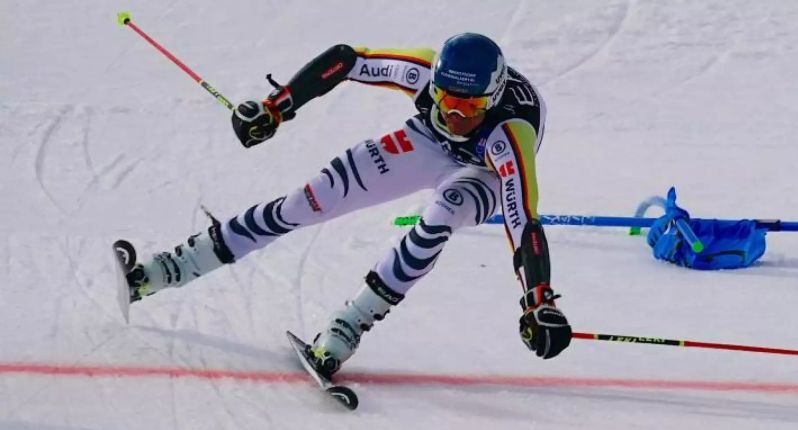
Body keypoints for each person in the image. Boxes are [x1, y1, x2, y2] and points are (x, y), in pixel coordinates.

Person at [121, 33, 572, 379]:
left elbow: (524, 222)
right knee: (306, 202)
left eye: (468, 105)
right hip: (427, 142)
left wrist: (538, 301)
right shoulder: (421, 74)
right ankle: (166, 268)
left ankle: (349, 326)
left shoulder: (512, 136)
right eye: (447, 99)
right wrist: (277, 107)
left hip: (485, 172)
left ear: (491, 99)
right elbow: (347, 60)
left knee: (442, 215)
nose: (455, 113)